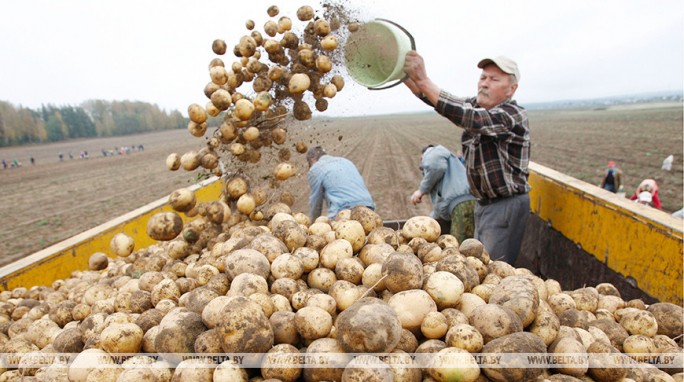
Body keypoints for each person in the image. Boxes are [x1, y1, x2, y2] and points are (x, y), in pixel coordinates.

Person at [403, 52, 530, 265]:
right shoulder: (477, 107)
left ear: (511, 89)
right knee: (478, 264)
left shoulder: (512, 114)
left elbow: (468, 117)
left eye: (494, 79)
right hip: (483, 203)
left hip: (505, 205)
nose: (485, 84)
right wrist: (406, 78)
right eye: (483, 77)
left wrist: (424, 80)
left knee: (492, 268)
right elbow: (441, 102)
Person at [411, 144, 476, 243]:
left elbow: (436, 167)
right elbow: (440, 204)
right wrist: (430, 220)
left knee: (459, 247)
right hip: (466, 204)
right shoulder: (445, 174)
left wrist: (421, 190)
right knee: (463, 245)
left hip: (462, 205)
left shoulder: (433, 153)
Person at [306, 146, 375, 221]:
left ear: (312, 159)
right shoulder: (345, 161)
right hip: (368, 207)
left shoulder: (316, 168)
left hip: (344, 211)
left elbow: (315, 203)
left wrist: (312, 224)